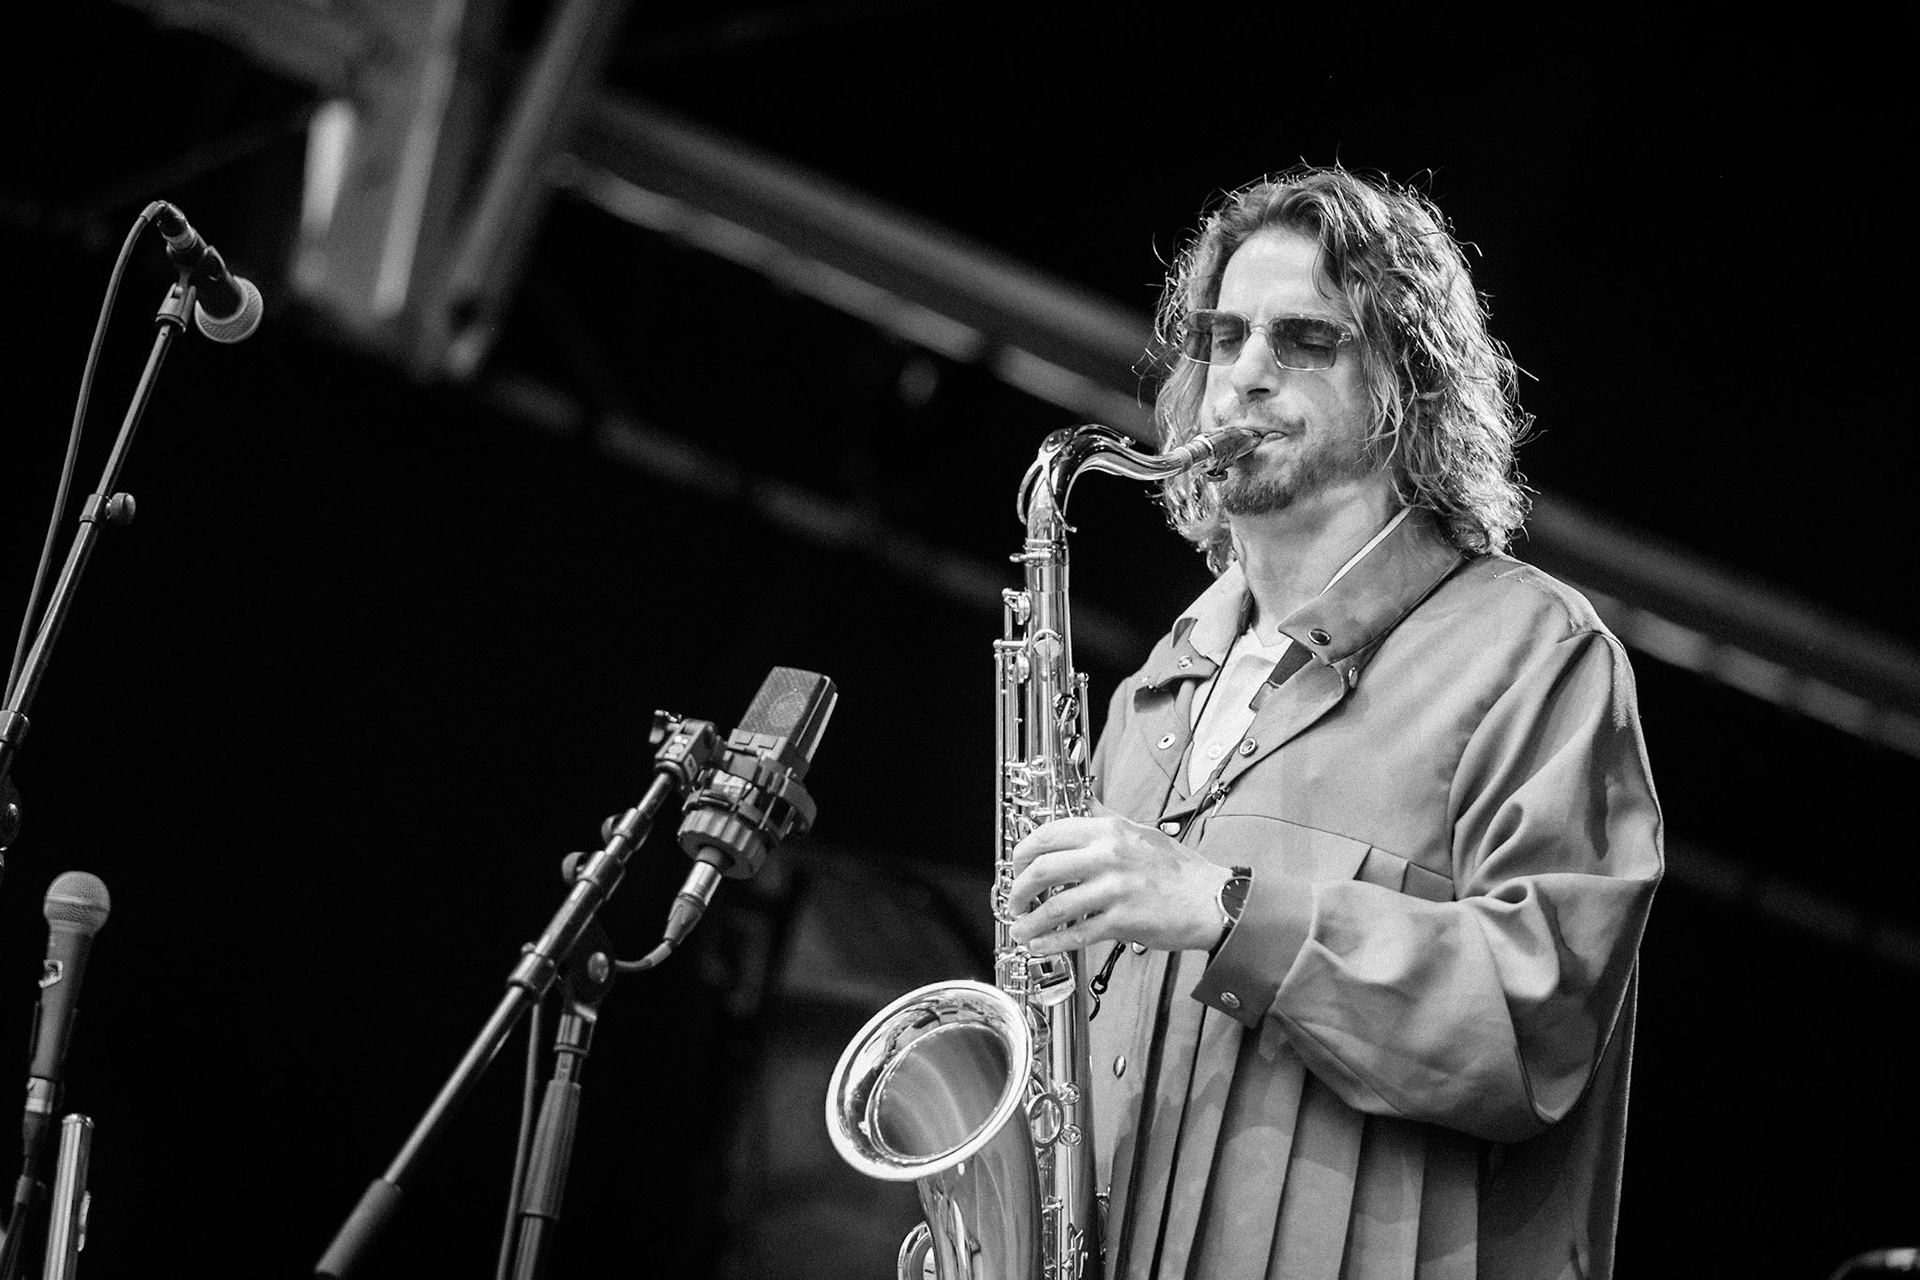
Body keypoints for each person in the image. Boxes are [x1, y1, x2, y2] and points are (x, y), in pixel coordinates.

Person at [1006, 166, 1662, 1280]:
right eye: (1223, 337)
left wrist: (1223, 908)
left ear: (1409, 383)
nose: (1245, 374)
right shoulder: (1154, 690)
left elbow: (1537, 1018)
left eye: (1306, 339)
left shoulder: (1535, 654)